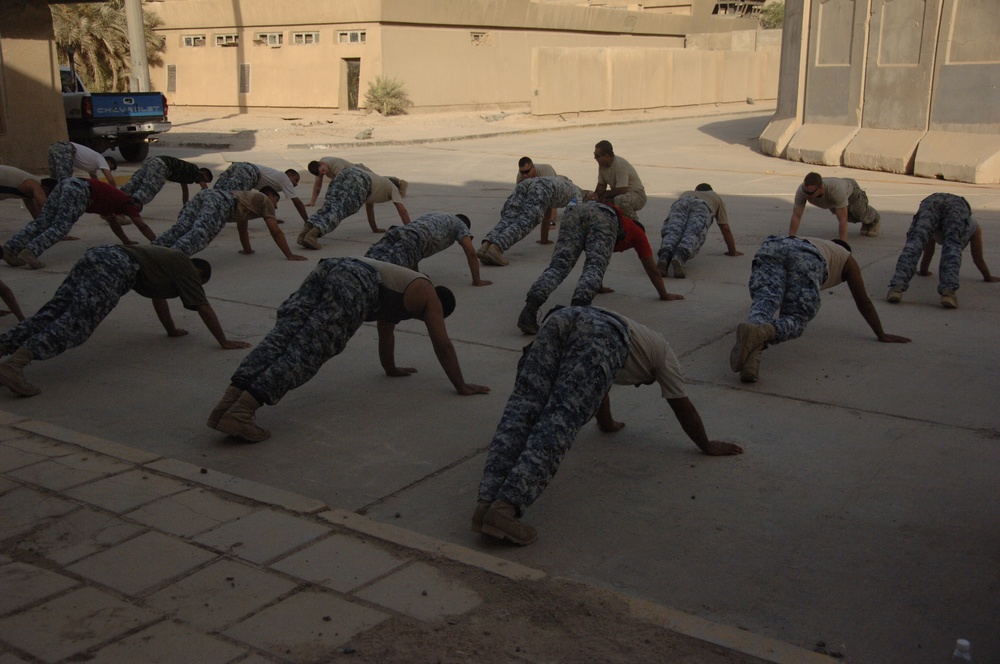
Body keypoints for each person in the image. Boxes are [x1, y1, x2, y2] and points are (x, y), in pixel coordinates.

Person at [474, 305, 743, 545]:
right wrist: (705, 444)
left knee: (522, 409)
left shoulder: (640, 341)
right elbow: (681, 404)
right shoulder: (665, 355)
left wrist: (607, 422)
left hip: (564, 317)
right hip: (604, 332)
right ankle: (505, 509)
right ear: (649, 377)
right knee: (559, 422)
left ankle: (485, 503)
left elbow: (597, 386)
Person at [207, 257, 489, 442]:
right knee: (311, 348)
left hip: (333, 266)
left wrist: (390, 368)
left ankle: (227, 405)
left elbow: (385, 331)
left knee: (285, 335)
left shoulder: (402, 290)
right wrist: (461, 385)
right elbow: (443, 343)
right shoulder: (428, 295)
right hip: (356, 280)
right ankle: (242, 411)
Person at [0, 245, 250, 397]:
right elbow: (203, 307)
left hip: (99, 256)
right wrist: (224, 341)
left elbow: (158, 298)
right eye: (198, 283)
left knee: (54, 312)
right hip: (116, 266)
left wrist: (171, 329)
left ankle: (4, 346)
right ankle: (16, 364)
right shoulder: (185, 265)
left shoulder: (163, 265)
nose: (193, 287)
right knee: (76, 323)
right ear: (199, 273)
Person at [730, 236, 910, 384]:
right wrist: (881, 333)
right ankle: (764, 333)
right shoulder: (846, 257)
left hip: (772, 246)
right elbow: (863, 301)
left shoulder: (815, 241)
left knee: (764, 304)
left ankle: (750, 363)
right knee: (796, 318)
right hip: (807, 257)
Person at [516, 201, 682, 335]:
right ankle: (577, 317)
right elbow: (652, 269)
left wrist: (599, 286)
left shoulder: (624, 227)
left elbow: (596, 252)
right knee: (594, 267)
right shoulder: (638, 234)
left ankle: (529, 311)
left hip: (576, 211)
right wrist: (664, 294)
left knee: (558, 266)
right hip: (604, 216)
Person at [1, 178, 154, 269]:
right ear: (134, 203)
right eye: (136, 209)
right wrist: (158, 243)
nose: (134, 212)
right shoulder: (128, 202)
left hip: (67, 184)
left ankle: (10, 248)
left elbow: (114, 223)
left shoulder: (115, 204)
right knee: (60, 227)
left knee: (43, 221)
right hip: (80, 190)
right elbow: (142, 225)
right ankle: (31, 252)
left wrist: (126, 241)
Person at [886, 193, 998, 308]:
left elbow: (927, 248)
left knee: (915, 241)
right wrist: (987, 276)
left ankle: (896, 288)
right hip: (956, 206)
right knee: (953, 246)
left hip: (932, 202)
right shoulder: (973, 227)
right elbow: (978, 258)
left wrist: (924, 270)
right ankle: (948, 293)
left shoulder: (938, 225)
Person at [153, 187, 306, 261]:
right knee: (200, 235)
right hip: (222, 202)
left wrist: (247, 249)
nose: (276, 206)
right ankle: (169, 260)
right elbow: (275, 231)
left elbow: (242, 226)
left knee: (181, 228)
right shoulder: (265, 200)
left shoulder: (248, 200)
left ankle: (153, 249)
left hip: (207, 194)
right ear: (271, 196)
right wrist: (290, 255)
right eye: (276, 201)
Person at [298, 162, 410, 249]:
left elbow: (370, 208)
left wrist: (374, 228)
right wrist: (412, 230)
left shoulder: (379, 180)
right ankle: (313, 235)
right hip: (361, 181)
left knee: (329, 205)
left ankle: (304, 233)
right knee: (340, 210)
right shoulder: (393, 187)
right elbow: (402, 211)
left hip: (347, 172)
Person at [478, 175, 582, 266]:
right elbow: (571, 215)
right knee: (525, 221)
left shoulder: (557, 181)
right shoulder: (577, 193)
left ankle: (485, 246)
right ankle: (496, 248)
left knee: (509, 217)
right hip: (541, 189)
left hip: (527, 183)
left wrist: (544, 240)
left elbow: (547, 214)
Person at [364, 212, 491, 286]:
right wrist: (476, 280)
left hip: (399, 231)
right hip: (416, 240)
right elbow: (470, 251)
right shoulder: (461, 225)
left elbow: (414, 249)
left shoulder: (435, 215)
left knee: (368, 261)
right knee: (381, 273)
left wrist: (416, 274)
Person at [656, 184, 741, 278]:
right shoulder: (715, 197)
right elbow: (725, 228)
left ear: (696, 190)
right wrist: (733, 252)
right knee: (693, 232)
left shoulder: (687, 192)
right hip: (702, 205)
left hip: (682, 202)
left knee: (673, 230)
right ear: (710, 190)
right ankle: (680, 256)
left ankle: (664, 255)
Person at [788, 172, 881, 241]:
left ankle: (875, 219)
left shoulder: (835, 190)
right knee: (850, 218)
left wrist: (843, 244)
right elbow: (796, 216)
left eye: (811, 193)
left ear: (820, 188)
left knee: (860, 213)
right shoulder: (802, 191)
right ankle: (865, 223)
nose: (807, 195)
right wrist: (791, 238)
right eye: (806, 192)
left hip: (851, 191)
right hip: (830, 200)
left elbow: (842, 220)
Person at [214, 161, 310, 223]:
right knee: (236, 200)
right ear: (289, 175)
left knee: (217, 193)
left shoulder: (275, 180)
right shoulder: (285, 179)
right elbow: (297, 203)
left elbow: (266, 200)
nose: (296, 184)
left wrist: (272, 218)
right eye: (296, 180)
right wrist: (307, 221)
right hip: (249, 171)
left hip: (238, 166)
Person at [586, 140, 646, 221]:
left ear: (606, 156)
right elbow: (601, 185)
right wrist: (596, 194)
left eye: (597, 156)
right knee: (590, 198)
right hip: (619, 193)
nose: (595, 158)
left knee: (619, 200)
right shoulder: (602, 166)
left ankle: (634, 222)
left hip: (637, 195)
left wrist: (605, 195)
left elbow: (622, 189)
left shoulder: (620, 165)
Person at [120, 156, 213, 205]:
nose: (204, 181)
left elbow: (185, 190)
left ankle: (118, 197)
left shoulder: (188, 173)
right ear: (205, 173)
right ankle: (132, 206)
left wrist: (185, 205)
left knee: (136, 181)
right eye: (206, 179)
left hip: (154, 160)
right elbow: (203, 186)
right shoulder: (196, 170)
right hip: (163, 166)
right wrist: (208, 200)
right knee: (149, 189)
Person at [47, 141, 117, 187]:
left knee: (54, 177)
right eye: (111, 168)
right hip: (66, 148)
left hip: (54, 147)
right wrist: (115, 191)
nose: (109, 170)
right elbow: (110, 179)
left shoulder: (92, 167)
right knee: (65, 180)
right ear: (108, 162)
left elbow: (95, 181)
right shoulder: (101, 159)